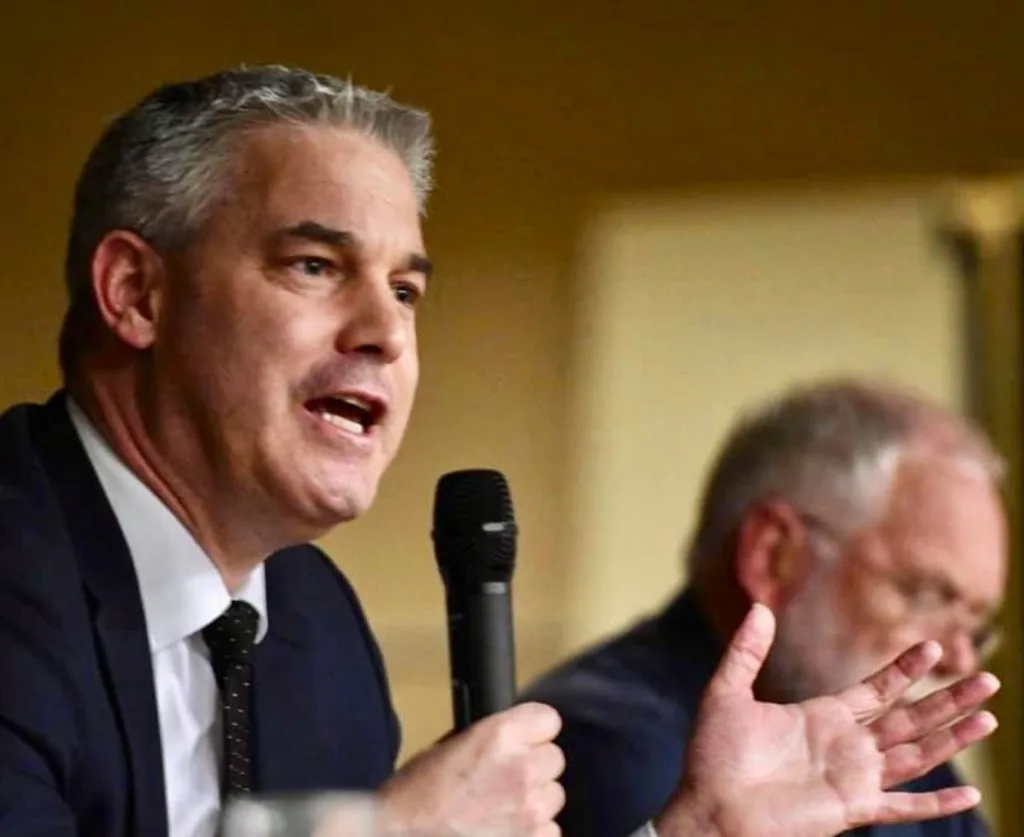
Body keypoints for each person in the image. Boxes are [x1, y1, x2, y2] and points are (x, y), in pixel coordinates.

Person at [0, 66, 1000, 837]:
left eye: (405, 291)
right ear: (137, 293)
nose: (384, 334)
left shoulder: (316, 628)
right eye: (316, 265)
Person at [524, 379, 1008, 837]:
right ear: (774, 555)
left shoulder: (893, 747)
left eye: (977, 625)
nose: (960, 659)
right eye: (925, 595)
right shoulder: (599, 750)